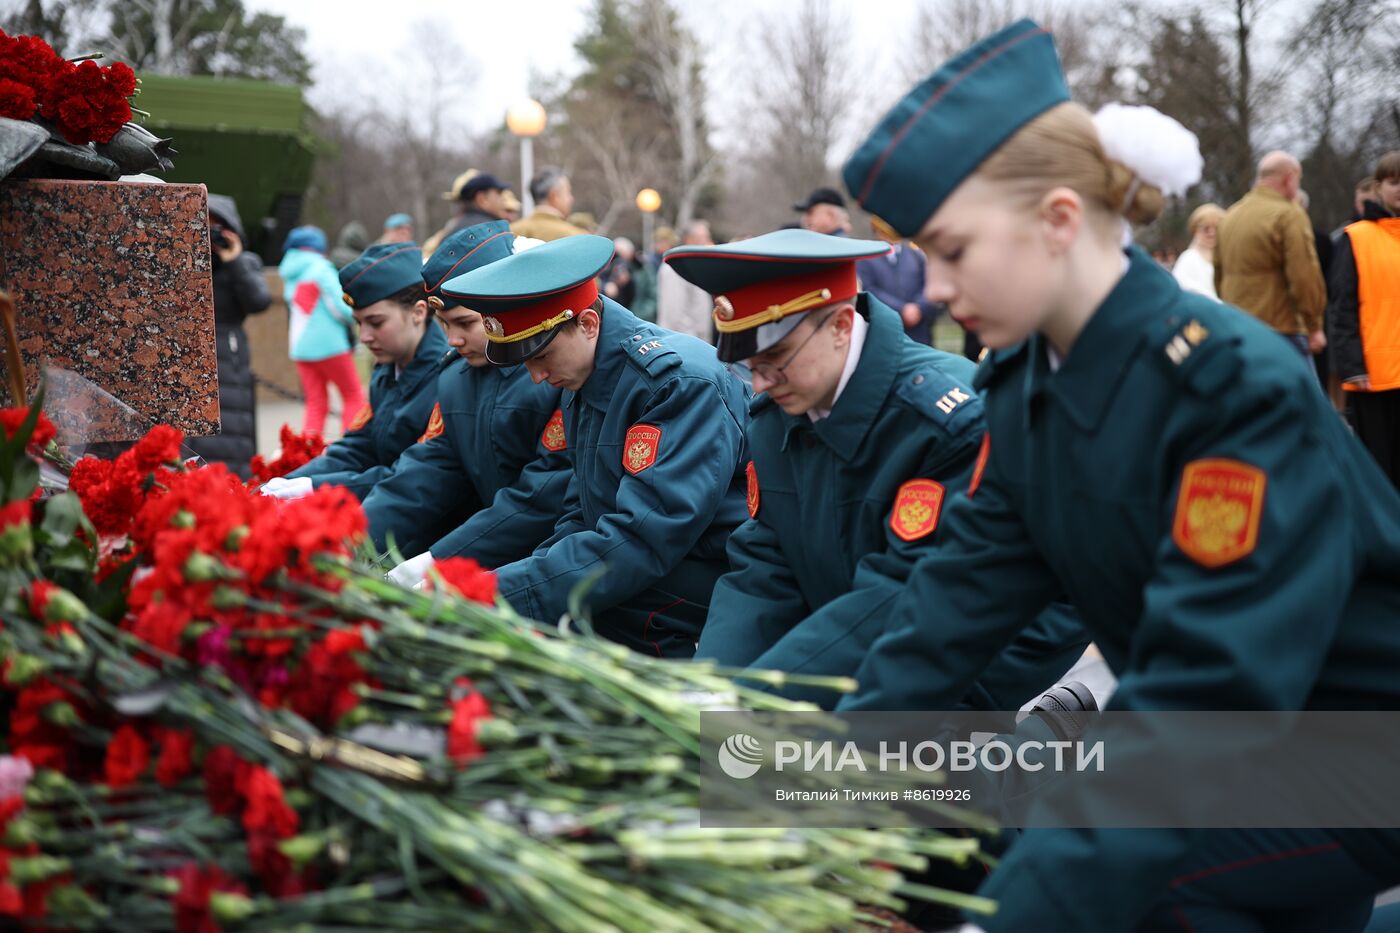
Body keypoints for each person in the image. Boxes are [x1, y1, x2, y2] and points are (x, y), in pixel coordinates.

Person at [839, 18, 1400, 932]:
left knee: (1113, 885)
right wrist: (827, 789)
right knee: (959, 821)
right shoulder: (1027, 385)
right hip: (1216, 738)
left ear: (1059, 220)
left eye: (951, 250)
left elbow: (1207, 689)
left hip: (1351, 750)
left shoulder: (1232, 388)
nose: (931, 288)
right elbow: (946, 609)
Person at [667, 228, 1087, 708]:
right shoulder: (778, 414)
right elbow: (768, 561)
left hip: (996, 632)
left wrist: (752, 697)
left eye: (776, 359)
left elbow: (902, 595)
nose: (759, 384)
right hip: (871, 611)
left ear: (842, 326)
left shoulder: (944, 422)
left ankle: (1027, 755)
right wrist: (712, 684)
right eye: (748, 365)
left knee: (874, 765)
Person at [438, 234, 750, 658]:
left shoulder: (676, 383)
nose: (536, 377)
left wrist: (498, 592)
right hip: (648, 563)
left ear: (587, 324)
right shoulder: (583, 371)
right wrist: (512, 580)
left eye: (541, 357)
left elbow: (644, 537)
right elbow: (580, 512)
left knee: (597, 617)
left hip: (701, 579)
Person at [363, 221, 571, 564]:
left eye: (466, 324)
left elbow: (541, 499)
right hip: (494, 555)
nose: (452, 340)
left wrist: (438, 560)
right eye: (444, 324)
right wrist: (351, 534)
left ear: (507, 304)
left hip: (549, 561)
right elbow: (427, 470)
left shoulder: (553, 374)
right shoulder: (456, 378)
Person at [262, 242, 447, 501]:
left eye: (376, 322)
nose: (365, 337)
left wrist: (314, 487)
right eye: (359, 323)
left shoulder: (446, 378)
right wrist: (287, 482)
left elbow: (410, 476)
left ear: (418, 312)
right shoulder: (387, 370)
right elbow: (358, 446)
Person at [185, 194, 272, 480]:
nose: (210, 235)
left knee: (232, 431)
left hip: (230, 358)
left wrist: (233, 260)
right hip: (191, 354)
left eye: (217, 228)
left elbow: (259, 301)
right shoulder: (184, 260)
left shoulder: (245, 263)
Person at [1215, 150, 1327, 364]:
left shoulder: (1230, 215)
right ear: (1289, 178)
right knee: (1303, 396)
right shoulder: (1289, 214)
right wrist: (1313, 325)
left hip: (1237, 328)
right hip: (1281, 330)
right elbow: (1304, 275)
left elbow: (1219, 274)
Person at [1330, 151, 1400, 488]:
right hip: (1374, 377)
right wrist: (1352, 366)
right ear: (1378, 187)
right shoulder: (1357, 237)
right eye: (1393, 181)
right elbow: (1341, 307)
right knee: (1380, 473)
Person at [277, 225, 366, 437]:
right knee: (353, 395)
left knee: (316, 403)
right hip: (331, 345)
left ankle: (308, 452)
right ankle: (350, 447)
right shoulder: (322, 269)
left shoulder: (289, 273)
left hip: (300, 348)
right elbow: (343, 308)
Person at [856, 220, 943, 344]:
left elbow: (928, 283)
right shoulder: (865, 258)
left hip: (919, 330)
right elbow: (869, 289)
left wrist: (918, 308)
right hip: (886, 329)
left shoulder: (915, 254)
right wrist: (901, 309)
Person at [423, 171, 510, 257]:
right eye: (498, 193)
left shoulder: (451, 231)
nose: (503, 200)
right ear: (482, 199)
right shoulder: (490, 231)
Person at [656, 220, 715, 341]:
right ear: (689, 239)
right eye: (705, 237)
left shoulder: (695, 265)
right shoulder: (675, 266)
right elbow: (674, 315)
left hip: (696, 342)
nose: (708, 241)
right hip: (683, 344)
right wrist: (694, 342)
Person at [510, 168, 586, 242]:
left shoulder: (510, 232)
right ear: (554, 196)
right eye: (568, 192)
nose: (571, 199)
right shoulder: (575, 238)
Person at [1171, 202, 1223, 299]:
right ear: (1195, 231)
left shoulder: (1229, 255)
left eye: (1216, 228)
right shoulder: (1188, 259)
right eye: (1206, 229)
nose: (1212, 233)